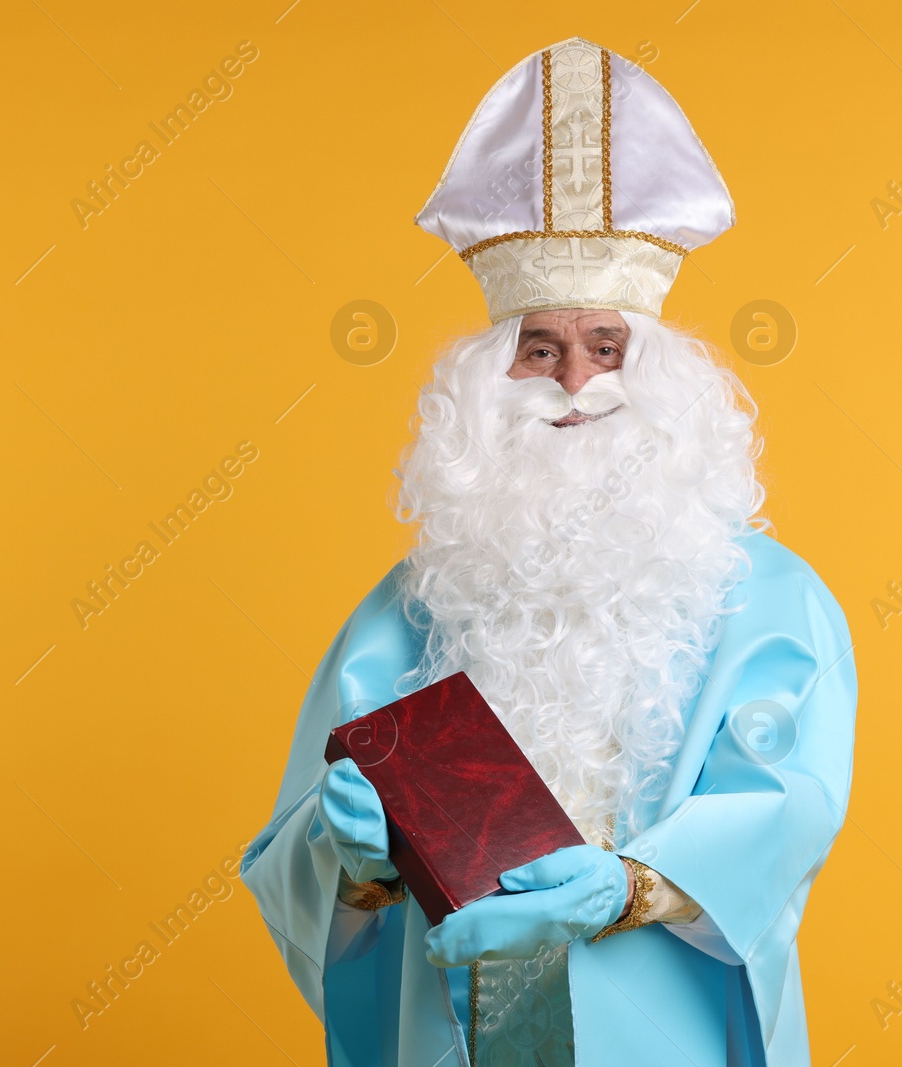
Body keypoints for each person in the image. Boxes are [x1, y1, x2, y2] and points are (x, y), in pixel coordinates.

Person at [242, 36, 857, 1066]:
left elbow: (791, 804)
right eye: (540, 349)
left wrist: (628, 883)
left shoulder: (767, 600)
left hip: (668, 1037)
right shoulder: (407, 610)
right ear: (489, 380)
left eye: (606, 347)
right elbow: (292, 864)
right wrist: (346, 858)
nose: (575, 383)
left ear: (659, 372)